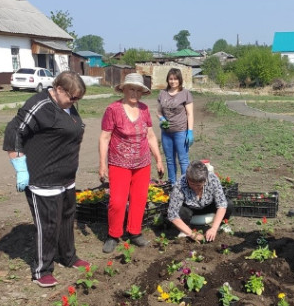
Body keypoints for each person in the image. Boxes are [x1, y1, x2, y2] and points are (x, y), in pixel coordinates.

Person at [3, 71, 90, 288]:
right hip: (44, 178)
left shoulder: (66, 105)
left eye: (78, 99)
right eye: (73, 98)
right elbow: (13, 131)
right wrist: (20, 167)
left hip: (66, 178)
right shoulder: (40, 105)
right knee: (48, 224)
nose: (75, 102)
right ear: (59, 90)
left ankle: (68, 256)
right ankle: (42, 269)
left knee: (67, 219)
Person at [99, 73, 165, 253]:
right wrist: (102, 164)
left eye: (138, 90)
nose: (135, 93)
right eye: (131, 89)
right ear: (124, 89)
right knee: (118, 201)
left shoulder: (144, 110)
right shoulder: (113, 109)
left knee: (139, 199)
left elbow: (150, 136)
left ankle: (135, 232)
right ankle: (113, 235)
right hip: (119, 162)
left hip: (142, 163)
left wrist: (158, 159)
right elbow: (105, 138)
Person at [166, 160, 232, 243]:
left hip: (208, 205)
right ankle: (185, 230)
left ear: (205, 179)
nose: (195, 187)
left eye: (198, 185)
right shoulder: (180, 185)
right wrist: (192, 234)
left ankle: (223, 225)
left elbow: (221, 204)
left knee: (228, 203)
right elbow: (172, 214)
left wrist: (214, 228)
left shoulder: (213, 179)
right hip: (190, 208)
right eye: (192, 184)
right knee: (181, 212)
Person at [157, 67, 194, 184]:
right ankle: (173, 184)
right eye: (171, 79)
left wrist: (190, 131)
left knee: (183, 160)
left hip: (180, 131)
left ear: (180, 80)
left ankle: (185, 185)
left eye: (175, 79)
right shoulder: (162, 93)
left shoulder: (185, 94)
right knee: (170, 160)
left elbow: (190, 114)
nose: (173, 81)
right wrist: (162, 119)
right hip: (166, 133)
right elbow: (158, 112)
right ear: (168, 80)